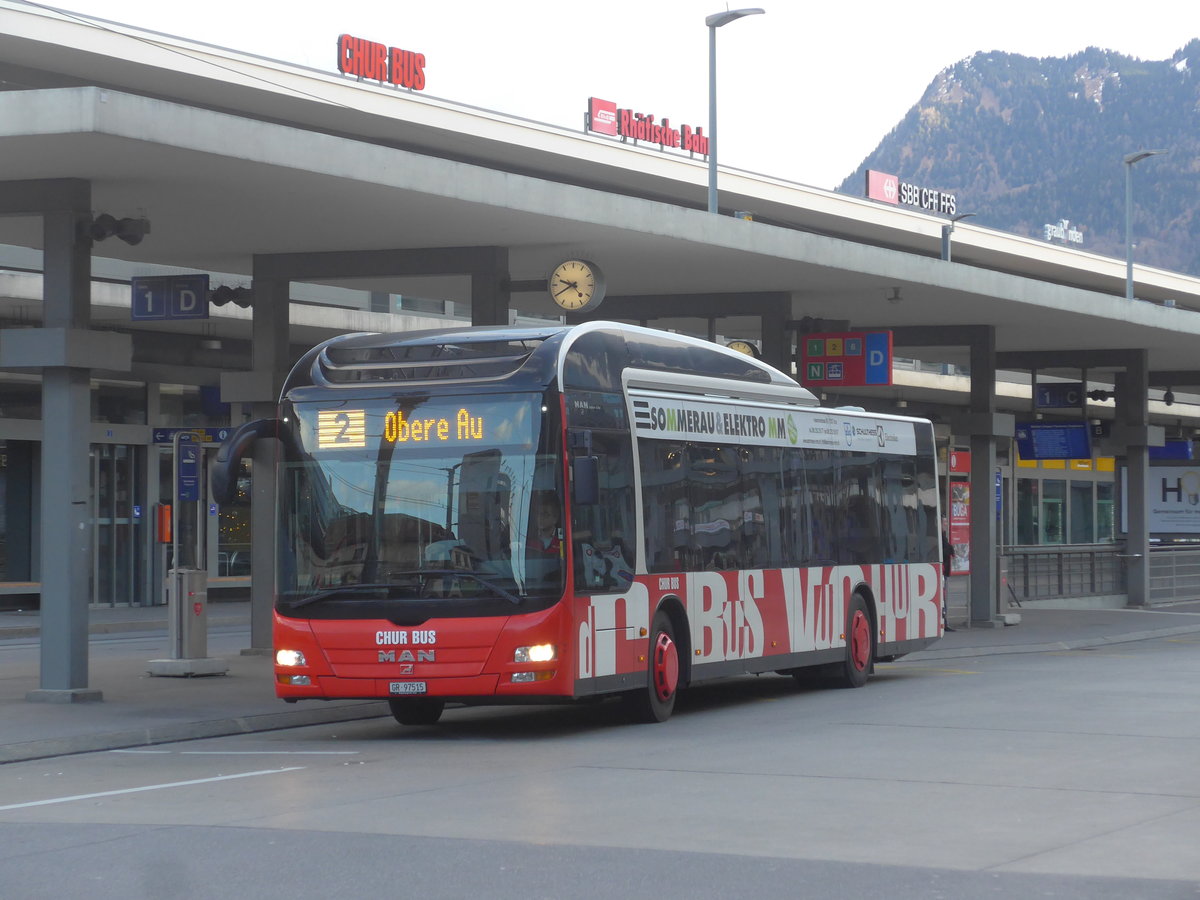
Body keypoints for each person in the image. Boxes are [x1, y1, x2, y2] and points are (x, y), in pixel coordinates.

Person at [941, 527, 956, 631]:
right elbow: (945, 551)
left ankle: (944, 622)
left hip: (944, 571)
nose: (945, 525)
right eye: (944, 522)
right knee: (943, 598)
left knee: (943, 598)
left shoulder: (943, 537)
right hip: (942, 571)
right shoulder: (941, 538)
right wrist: (950, 548)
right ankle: (944, 622)